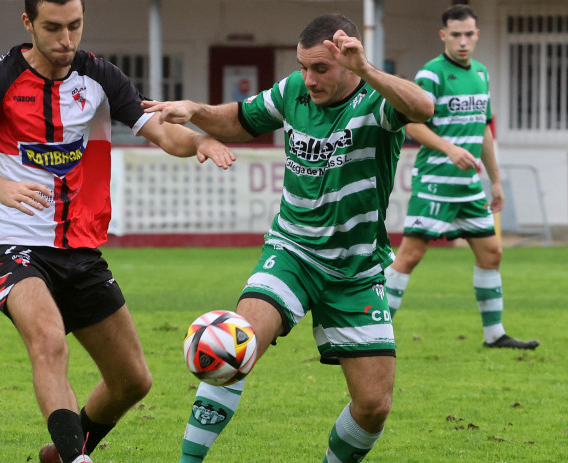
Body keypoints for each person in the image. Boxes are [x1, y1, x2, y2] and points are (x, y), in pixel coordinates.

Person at [0, 1, 235, 462]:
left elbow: (163, 133)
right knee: (49, 340)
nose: (66, 41)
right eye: (53, 28)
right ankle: (76, 458)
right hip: (13, 245)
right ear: (28, 23)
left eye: (75, 26)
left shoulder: (100, 78)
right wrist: (1, 186)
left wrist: (201, 139)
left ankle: (62, 453)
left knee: (133, 379)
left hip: (81, 250)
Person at [142, 14, 434, 463]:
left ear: (348, 62)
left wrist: (368, 69)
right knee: (234, 344)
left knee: (374, 406)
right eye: (303, 66)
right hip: (292, 250)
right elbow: (240, 119)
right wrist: (196, 111)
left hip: (355, 270)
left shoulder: (376, 100)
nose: (308, 79)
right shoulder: (293, 91)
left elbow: (424, 108)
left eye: (321, 68)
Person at [384, 5, 539, 350]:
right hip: (436, 181)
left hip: (468, 187)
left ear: (477, 35)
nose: (463, 41)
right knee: (409, 256)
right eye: (456, 35)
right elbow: (411, 123)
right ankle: (372, 332)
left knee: (491, 253)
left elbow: (484, 129)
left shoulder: (481, 74)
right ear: (443, 36)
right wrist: (449, 149)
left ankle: (494, 334)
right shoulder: (432, 75)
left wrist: (494, 180)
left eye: (469, 34)